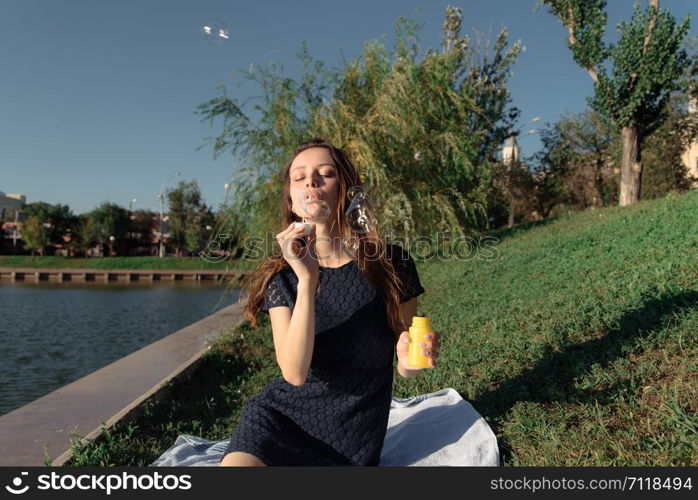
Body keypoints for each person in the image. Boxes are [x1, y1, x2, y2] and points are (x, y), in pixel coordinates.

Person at [219, 137, 441, 466]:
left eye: (325, 173)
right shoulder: (282, 277)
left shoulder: (392, 264)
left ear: (347, 191)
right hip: (279, 420)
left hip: (353, 438)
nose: (311, 180)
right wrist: (307, 278)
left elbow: (407, 359)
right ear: (292, 200)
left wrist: (411, 361)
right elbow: (294, 373)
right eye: (299, 177)